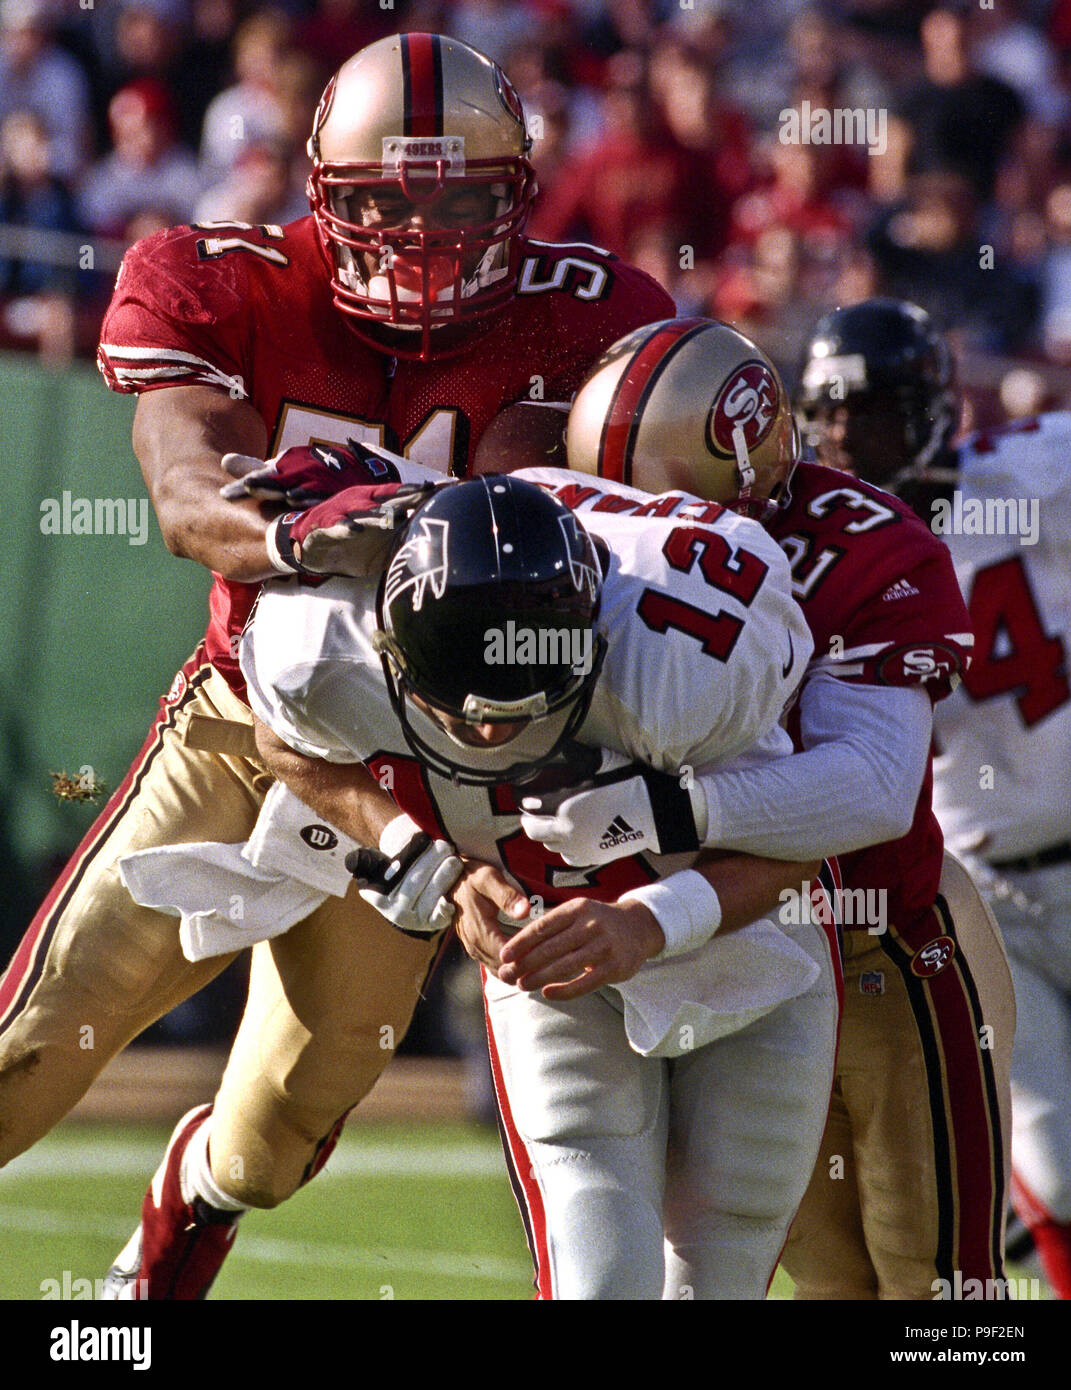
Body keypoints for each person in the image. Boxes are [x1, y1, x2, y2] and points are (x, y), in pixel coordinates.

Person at [0, 31, 675, 1301]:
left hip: (436, 772)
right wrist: (281, 531)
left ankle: (182, 1215)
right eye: (384, 207)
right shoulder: (221, 281)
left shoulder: (597, 316)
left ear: (518, 199)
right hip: (249, 722)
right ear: (319, 194)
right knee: (30, 1045)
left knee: (276, 1133)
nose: (422, 242)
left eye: (461, 204)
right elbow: (184, 483)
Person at [230, 470, 840, 1299]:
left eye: (520, 709)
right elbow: (287, 743)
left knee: (723, 1257)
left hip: (739, 935)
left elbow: (809, 836)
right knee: (596, 1272)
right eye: (461, 709)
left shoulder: (681, 658)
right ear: (390, 647)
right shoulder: (321, 644)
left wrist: (651, 923)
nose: (486, 731)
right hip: (545, 945)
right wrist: (425, 863)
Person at [547, 314, 1015, 1299]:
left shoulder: (863, 544)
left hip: (877, 933)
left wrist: (666, 812)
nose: (629, 527)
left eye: (653, 497)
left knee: (936, 1278)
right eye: (606, 496)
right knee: (819, 1275)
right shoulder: (566, 533)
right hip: (719, 947)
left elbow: (872, 792)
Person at [797, 296, 1071, 1300]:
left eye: (866, 414)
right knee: (1054, 1157)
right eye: (827, 415)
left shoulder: (1037, 476)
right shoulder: (820, 555)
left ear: (929, 408)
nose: (844, 439)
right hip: (988, 884)